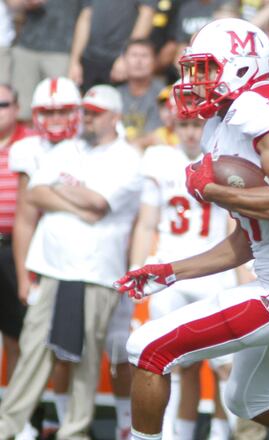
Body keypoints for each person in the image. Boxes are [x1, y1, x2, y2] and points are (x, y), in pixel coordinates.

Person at [116, 18, 269, 440]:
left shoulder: (265, 104)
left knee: (147, 348)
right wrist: (171, 270)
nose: (194, 81)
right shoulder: (222, 123)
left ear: (241, 67)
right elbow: (247, 240)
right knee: (248, 401)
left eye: (204, 69)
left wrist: (213, 191)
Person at [1, 82, 142, 440]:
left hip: (96, 270)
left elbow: (100, 203)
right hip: (51, 266)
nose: (88, 120)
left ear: (114, 117)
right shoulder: (68, 148)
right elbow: (36, 193)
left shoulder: (128, 157)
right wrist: (77, 199)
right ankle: (7, 425)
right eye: (86, 113)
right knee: (33, 349)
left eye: (96, 114)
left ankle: (75, 430)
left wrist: (62, 192)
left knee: (86, 356)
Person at [128, 115, 239, 440]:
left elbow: (234, 223)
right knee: (171, 364)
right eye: (185, 125)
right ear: (173, 127)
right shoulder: (160, 160)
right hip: (171, 272)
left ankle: (222, 435)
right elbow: (147, 222)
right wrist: (138, 270)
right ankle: (177, 435)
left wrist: (239, 273)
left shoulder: (223, 159)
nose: (191, 132)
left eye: (197, 125)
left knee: (225, 365)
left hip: (213, 270)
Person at [0, 83, 34, 383]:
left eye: (3, 104)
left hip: (16, 248)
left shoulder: (30, 143)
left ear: (17, 109)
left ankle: (17, 417)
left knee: (16, 334)